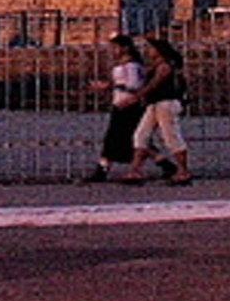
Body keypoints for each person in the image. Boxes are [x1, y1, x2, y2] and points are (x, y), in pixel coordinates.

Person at [79, 32, 144, 183]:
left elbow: (134, 85)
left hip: (128, 104)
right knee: (133, 138)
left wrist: (110, 86)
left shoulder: (132, 65)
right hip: (120, 102)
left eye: (116, 47)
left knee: (119, 137)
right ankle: (164, 164)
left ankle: (102, 169)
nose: (113, 51)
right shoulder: (123, 65)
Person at [128, 31, 190, 185]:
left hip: (166, 103)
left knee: (171, 137)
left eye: (151, 48)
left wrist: (136, 97)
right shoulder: (157, 66)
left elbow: (153, 85)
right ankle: (135, 171)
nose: (148, 51)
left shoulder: (166, 66)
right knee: (141, 135)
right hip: (155, 104)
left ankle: (183, 171)